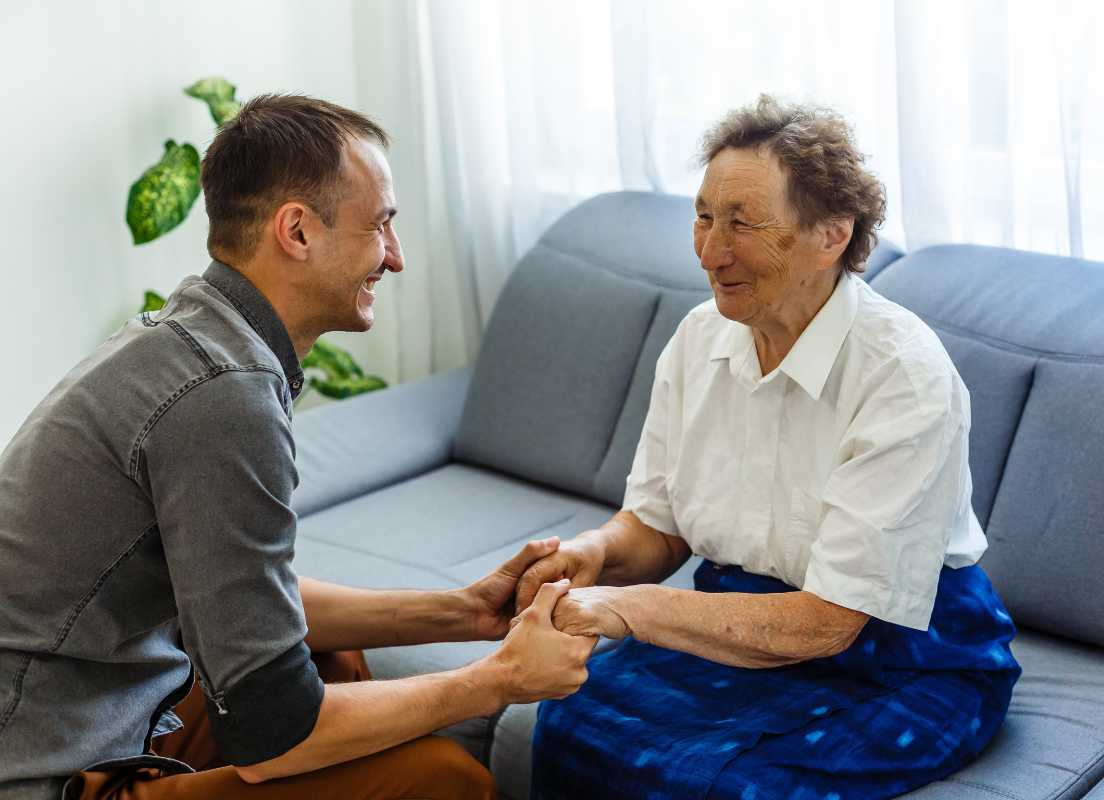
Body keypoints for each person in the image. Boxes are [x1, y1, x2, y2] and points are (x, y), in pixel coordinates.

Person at [0, 95, 593, 800]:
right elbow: (275, 733)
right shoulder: (224, 393)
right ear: (298, 231)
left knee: (329, 656)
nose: (395, 258)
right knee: (444, 781)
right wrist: (501, 679)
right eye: (381, 226)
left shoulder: (195, 337)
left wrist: (462, 611)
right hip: (41, 771)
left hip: (93, 702)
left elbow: (251, 602)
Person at [516, 96, 1022, 800]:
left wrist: (621, 608)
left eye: (742, 223)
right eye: (703, 217)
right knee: (571, 718)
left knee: (742, 787)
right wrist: (589, 557)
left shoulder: (902, 374)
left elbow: (828, 622)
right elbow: (658, 527)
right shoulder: (698, 338)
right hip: (736, 621)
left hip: (903, 651)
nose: (710, 251)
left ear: (831, 235)